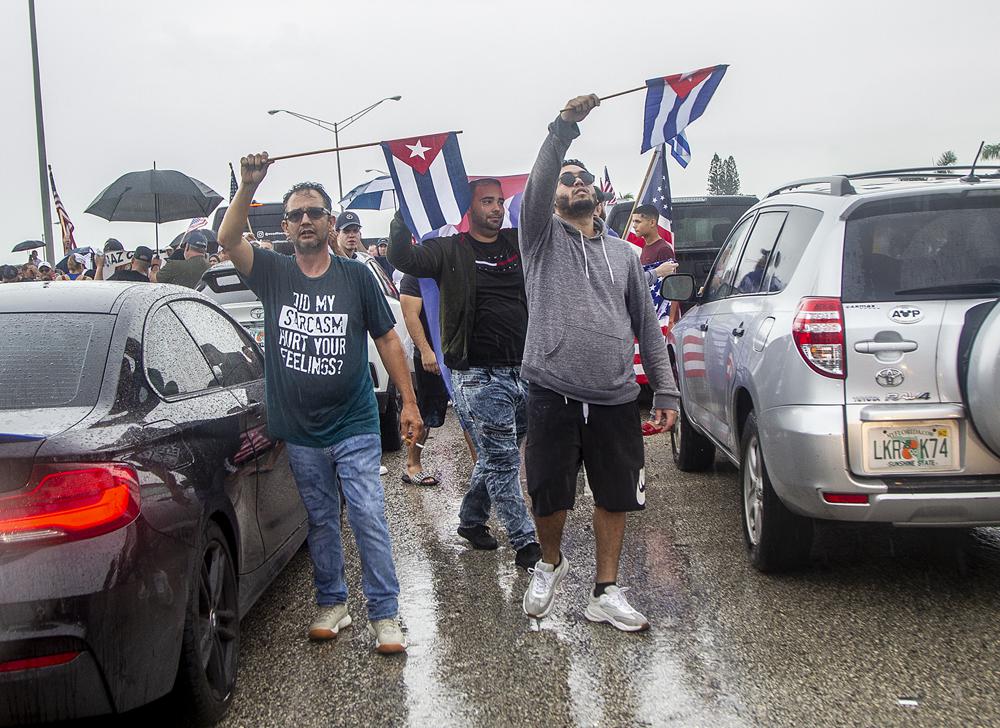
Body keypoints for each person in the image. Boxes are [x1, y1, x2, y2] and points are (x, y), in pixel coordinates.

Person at [219, 153, 420, 655]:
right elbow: (227, 239)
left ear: (330, 223)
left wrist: (409, 402)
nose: (305, 220)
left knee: (368, 513)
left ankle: (385, 613)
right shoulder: (271, 273)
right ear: (286, 227)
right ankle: (333, 602)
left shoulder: (355, 277)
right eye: (295, 214)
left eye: (314, 212)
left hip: (353, 420)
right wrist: (248, 186)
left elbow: (389, 339)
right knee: (321, 519)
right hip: (300, 428)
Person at [518, 94, 680, 631]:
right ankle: (550, 562)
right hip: (551, 390)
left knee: (615, 496)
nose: (576, 183)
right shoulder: (538, 238)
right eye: (567, 180)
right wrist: (563, 128)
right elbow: (540, 182)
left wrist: (666, 390)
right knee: (550, 494)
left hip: (614, 396)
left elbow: (648, 326)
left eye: (583, 178)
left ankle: (605, 591)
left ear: (598, 192)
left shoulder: (625, 255)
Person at [388, 179, 541, 571]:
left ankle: (471, 520)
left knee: (495, 455)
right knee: (504, 458)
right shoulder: (448, 249)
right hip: (477, 375)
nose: (495, 208)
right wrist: (402, 215)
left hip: (522, 370)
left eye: (500, 201)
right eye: (486, 201)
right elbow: (402, 256)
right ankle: (525, 542)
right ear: (467, 208)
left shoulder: (515, 243)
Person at [397, 273, 478, 486]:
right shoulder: (413, 275)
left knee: (469, 414)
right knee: (424, 416)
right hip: (430, 357)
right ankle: (412, 464)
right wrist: (425, 350)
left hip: (460, 354)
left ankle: (481, 469)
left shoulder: (452, 265)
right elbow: (410, 315)